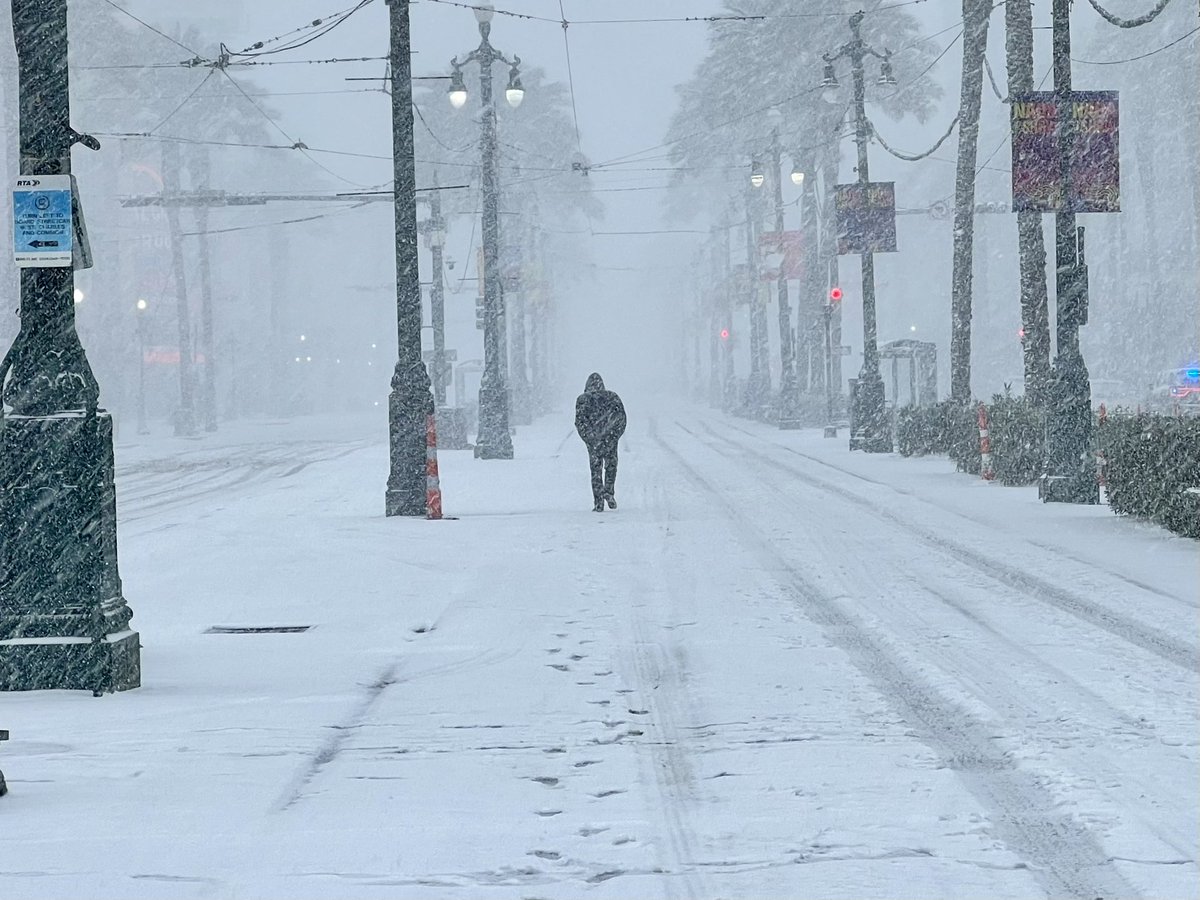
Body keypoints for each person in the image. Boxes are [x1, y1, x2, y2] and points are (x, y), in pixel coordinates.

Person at [574, 372, 626, 512]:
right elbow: (621, 418)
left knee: (595, 470)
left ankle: (598, 502)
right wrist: (614, 435)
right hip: (610, 438)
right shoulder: (612, 397)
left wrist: (589, 438)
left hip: (594, 441)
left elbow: (579, 422)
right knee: (611, 466)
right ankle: (609, 491)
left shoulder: (583, 400)